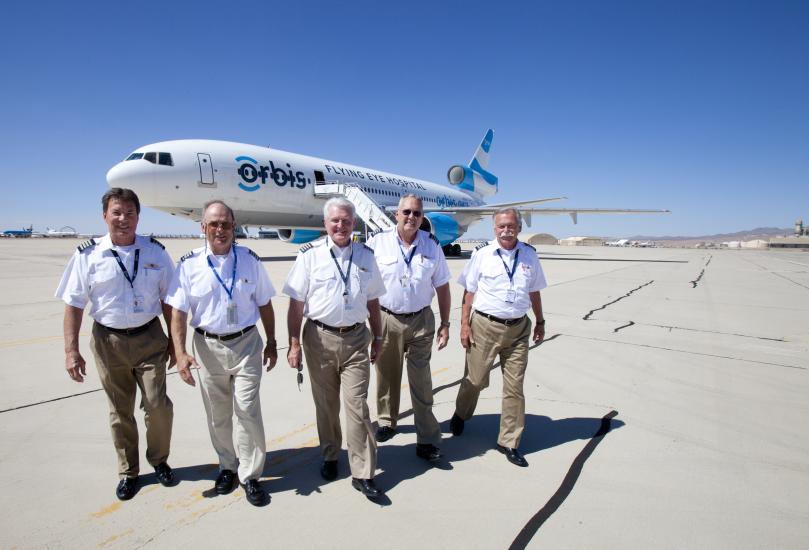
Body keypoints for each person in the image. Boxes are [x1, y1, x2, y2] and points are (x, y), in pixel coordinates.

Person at [56, 187, 176, 501]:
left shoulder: (155, 252)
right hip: (108, 341)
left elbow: (170, 301)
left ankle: (159, 459)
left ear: (139, 216)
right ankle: (128, 472)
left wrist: (178, 344)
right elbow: (73, 305)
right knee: (120, 411)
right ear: (105, 216)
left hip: (150, 337)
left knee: (158, 406)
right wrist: (71, 350)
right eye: (117, 213)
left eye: (130, 213)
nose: (124, 219)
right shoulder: (88, 255)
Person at [167, 200, 277, 506]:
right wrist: (179, 353)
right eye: (214, 224)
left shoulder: (250, 260)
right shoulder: (188, 265)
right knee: (218, 414)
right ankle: (227, 466)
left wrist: (272, 341)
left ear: (234, 227)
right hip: (207, 347)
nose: (220, 230)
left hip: (246, 345)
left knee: (247, 410)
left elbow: (265, 303)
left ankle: (250, 474)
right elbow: (178, 311)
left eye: (226, 224)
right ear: (203, 227)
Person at [284, 197, 386, 499]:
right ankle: (330, 455)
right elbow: (296, 305)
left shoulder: (366, 256)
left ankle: (363, 471)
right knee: (326, 405)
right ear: (326, 223)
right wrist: (293, 344)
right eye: (335, 220)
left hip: (356, 339)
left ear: (354, 223)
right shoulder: (309, 256)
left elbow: (373, 302)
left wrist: (378, 337)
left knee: (358, 406)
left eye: (346, 220)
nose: (341, 225)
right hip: (319, 339)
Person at [449, 207, 547, 467]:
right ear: (494, 229)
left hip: (518, 329)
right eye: (502, 226)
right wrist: (464, 326)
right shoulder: (482, 255)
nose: (507, 230)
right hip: (484, 326)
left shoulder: (529, 256)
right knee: (476, 379)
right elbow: (469, 292)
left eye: (511, 225)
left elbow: (535, 291)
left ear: (519, 228)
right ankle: (461, 413)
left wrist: (540, 320)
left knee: (515, 388)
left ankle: (509, 441)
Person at [367, 194, 451, 461]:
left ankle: (427, 438)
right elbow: (362, 283)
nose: (411, 217)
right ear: (396, 214)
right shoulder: (377, 243)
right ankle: (387, 421)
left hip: (421, 320)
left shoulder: (432, 245)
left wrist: (446, 323)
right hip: (387, 318)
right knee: (387, 375)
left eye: (417, 213)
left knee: (421, 380)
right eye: (406, 212)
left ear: (422, 216)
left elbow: (443, 286)